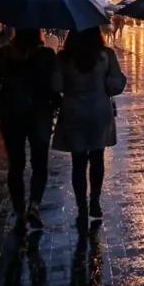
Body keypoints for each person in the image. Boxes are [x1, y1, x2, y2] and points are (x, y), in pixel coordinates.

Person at [0, 28, 58, 231]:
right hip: (40, 114)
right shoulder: (47, 55)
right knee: (39, 162)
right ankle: (34, 204)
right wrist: (59, 104)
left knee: (16, 164)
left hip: (11, 114)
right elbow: (54, 87)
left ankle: (19, 210)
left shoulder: (3, 55)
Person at [51, 27, 127, 229]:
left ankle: (81, 207)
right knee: (97, 157)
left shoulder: (64, 58)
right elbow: (117, 84)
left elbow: (56, 85)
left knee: (78, 161)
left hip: (74, 111)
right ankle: (95, 200)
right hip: (98, 111)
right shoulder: (106, 55)